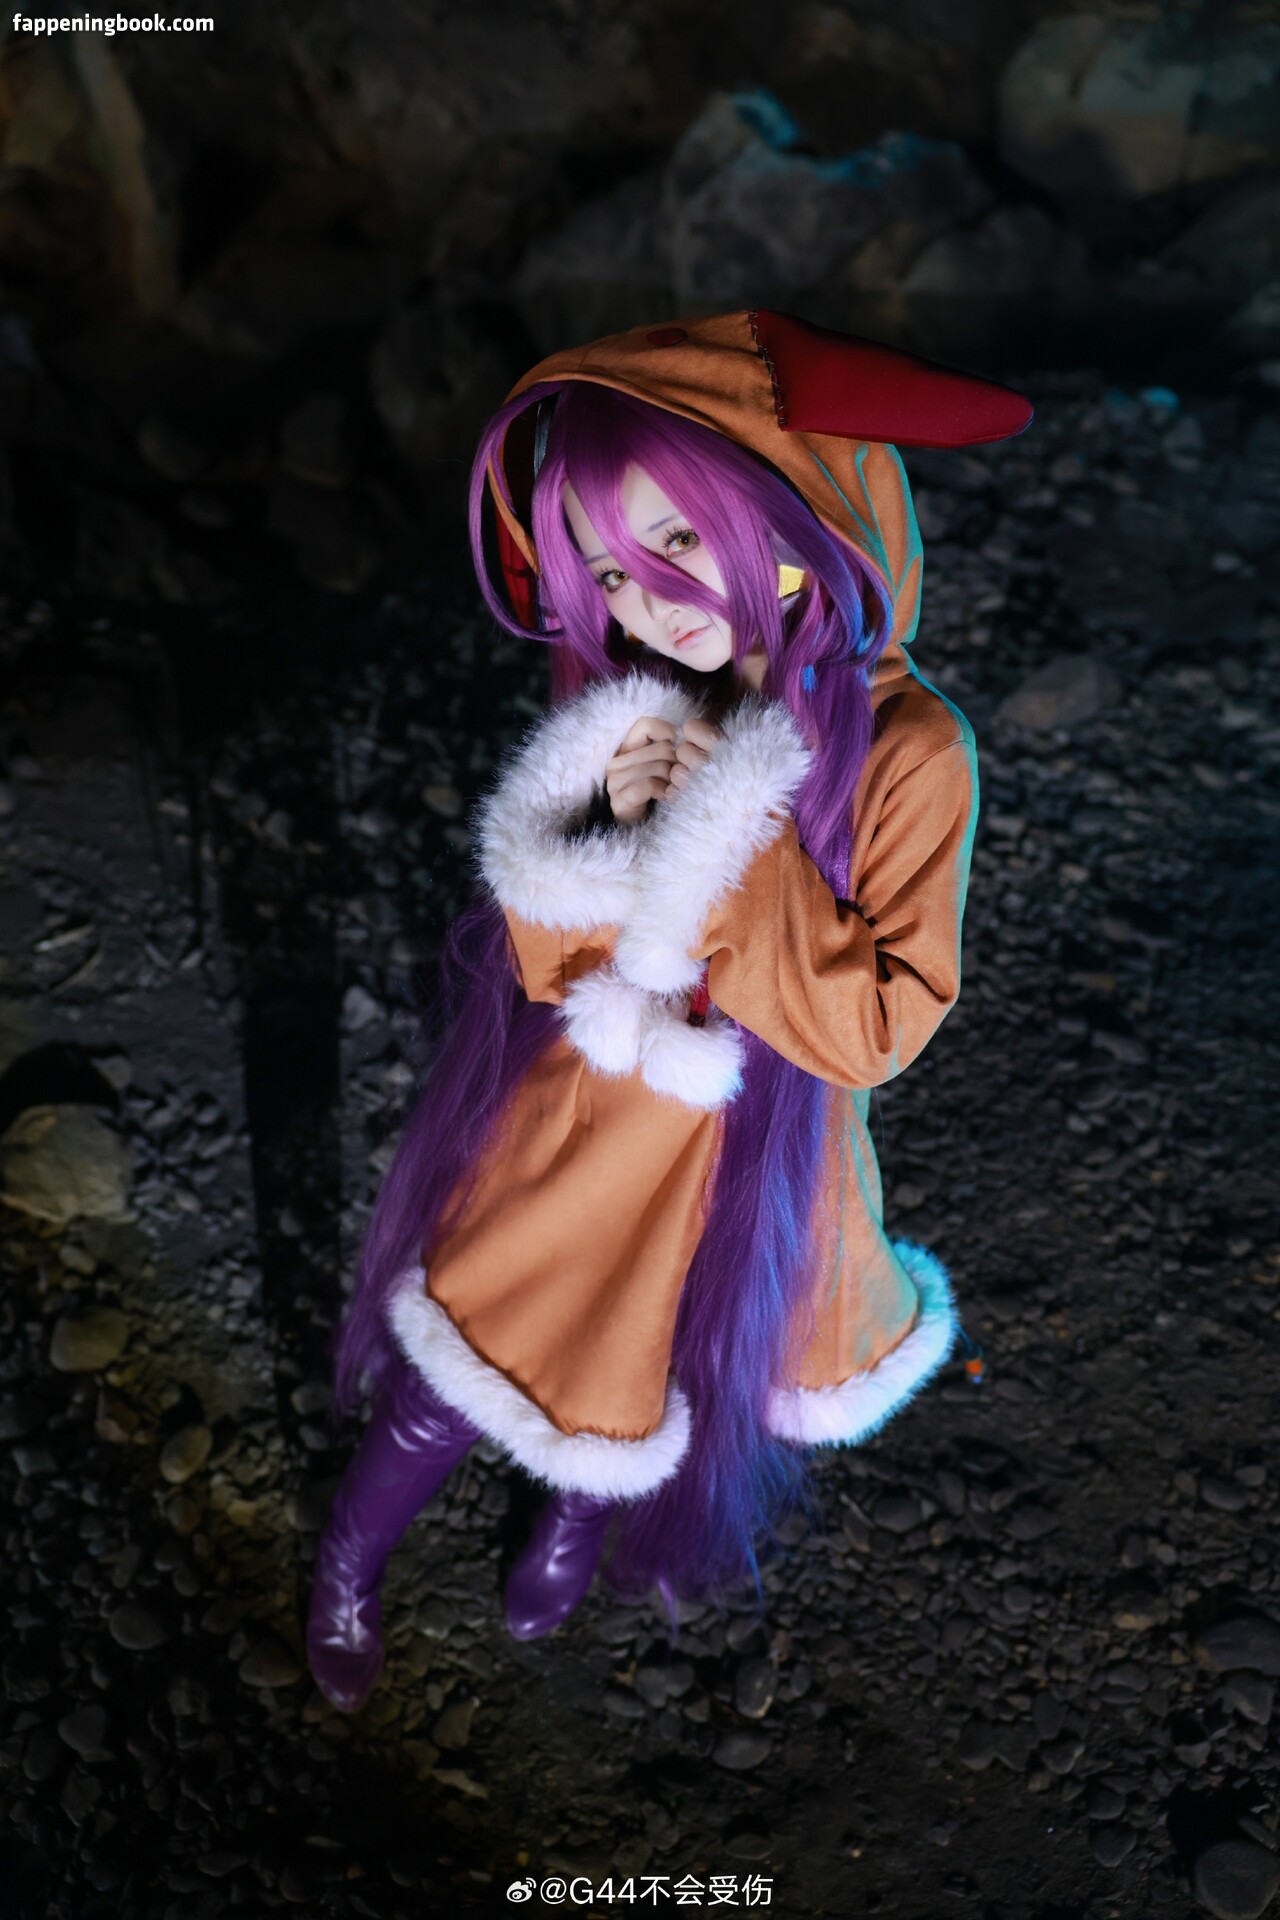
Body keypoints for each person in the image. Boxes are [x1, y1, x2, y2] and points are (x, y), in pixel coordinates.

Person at [306, 310, 1032, 1713]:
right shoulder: (643, 705)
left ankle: (573, 1518)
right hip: (599, 1122)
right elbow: (545, 964)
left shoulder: (909, 753)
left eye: (681, 542)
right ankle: (348, 1558)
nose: (646, 599)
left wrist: (733, 847)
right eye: (605, 570)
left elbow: (877, 1029)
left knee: (657, 1350)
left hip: (771, 1154)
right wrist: (606, 831)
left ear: (800, 507)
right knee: (476, 1342)